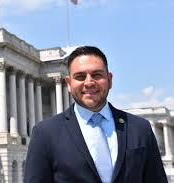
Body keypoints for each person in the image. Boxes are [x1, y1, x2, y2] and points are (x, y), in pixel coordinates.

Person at [24, 46, 167, 183]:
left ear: (110, 80)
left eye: (97, 75)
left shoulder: (140, 128)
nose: (89, 82)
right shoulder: (46, 134)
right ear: (68, 83)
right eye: (80, 77)